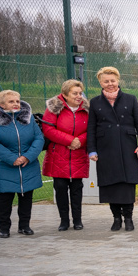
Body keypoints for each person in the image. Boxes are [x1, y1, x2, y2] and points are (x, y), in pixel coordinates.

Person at [87, 66, 138, 232]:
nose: (110, 84)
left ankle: (128, 218)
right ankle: (116, 218)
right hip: (105, 149)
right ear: (100, 82)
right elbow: (91, 128)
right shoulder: (95, 102)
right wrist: (91, 150)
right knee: (110, 185)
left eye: (113, 80)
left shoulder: (130, 99)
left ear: (118, 81)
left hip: (128, 148)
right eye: (106, 81)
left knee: (127, 185)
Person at [0, 90, 44, 238]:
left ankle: (24, 226)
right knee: (5, 199)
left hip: (28, 165)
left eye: (17, 101)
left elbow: (39, 138)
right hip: (4, 166)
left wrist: (27, 157)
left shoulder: (28, 119)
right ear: (2, 104)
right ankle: (4, 228)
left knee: (26, 197)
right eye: (11, 102)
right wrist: (12, 158)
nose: (16, 104)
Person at [41, 79, 89, 231]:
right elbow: (48, 130)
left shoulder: (87, 109)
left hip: (78, 153)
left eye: (80, 93)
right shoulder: (54, 108)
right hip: (59, 154)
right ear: (65, 95)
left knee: (77, 188)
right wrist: (69, 140)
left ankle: (77, 220)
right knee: (60, 187)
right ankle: (64, 221)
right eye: (75, 93)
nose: (79, 96)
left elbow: (92, 129)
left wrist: (79, 141)